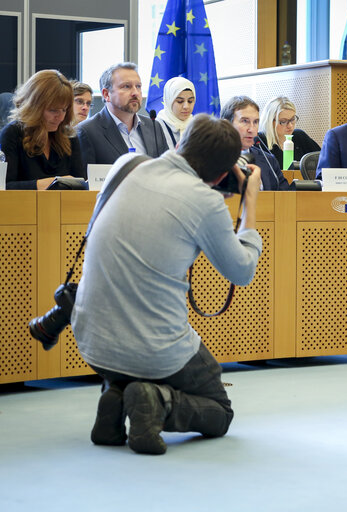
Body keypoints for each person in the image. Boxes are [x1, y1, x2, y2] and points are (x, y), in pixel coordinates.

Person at [71, 114, 263, 455]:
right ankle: (157, 402)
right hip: (155, 351)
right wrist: (249, 205)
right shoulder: (206, 201)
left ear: (179, 143)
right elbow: (242, 272)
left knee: (129, 354)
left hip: (91, 341)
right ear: (221, 175)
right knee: (220, 412)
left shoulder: (127, 164)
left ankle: (115, 395)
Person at [0, 70, 86, 190]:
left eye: (64, 110)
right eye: (53, 110)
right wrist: (48, 183)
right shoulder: (12, 134)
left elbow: (81, 185)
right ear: (33, 107)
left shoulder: (69, 135)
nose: (60, 117)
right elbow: (5, 187)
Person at [76, 62, 168, 165]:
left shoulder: (154, 126)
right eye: (127, 86)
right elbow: (85, 179)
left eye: (138, 86)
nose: (135, 93)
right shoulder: (87, 131)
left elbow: (166, 170)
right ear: (106, 94)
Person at [221, 95, 291, 191]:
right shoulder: (212, 159)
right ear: (227, 125)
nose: (251, 129)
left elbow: (286, 197)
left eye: (255, 122)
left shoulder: (269, 160)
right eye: (245, 121)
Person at [258, 96, 320, 167]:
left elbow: (322, 160)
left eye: (292, 119)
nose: (290, 125)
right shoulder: (260, 141)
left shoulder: (299, 136)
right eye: (283, 121)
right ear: (270, 121)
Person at [156, 76, 196, 149]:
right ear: (169, 101)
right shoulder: (157, 126)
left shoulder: (197, 125)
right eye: (180, 101)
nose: (186, 106)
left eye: (190, 101)